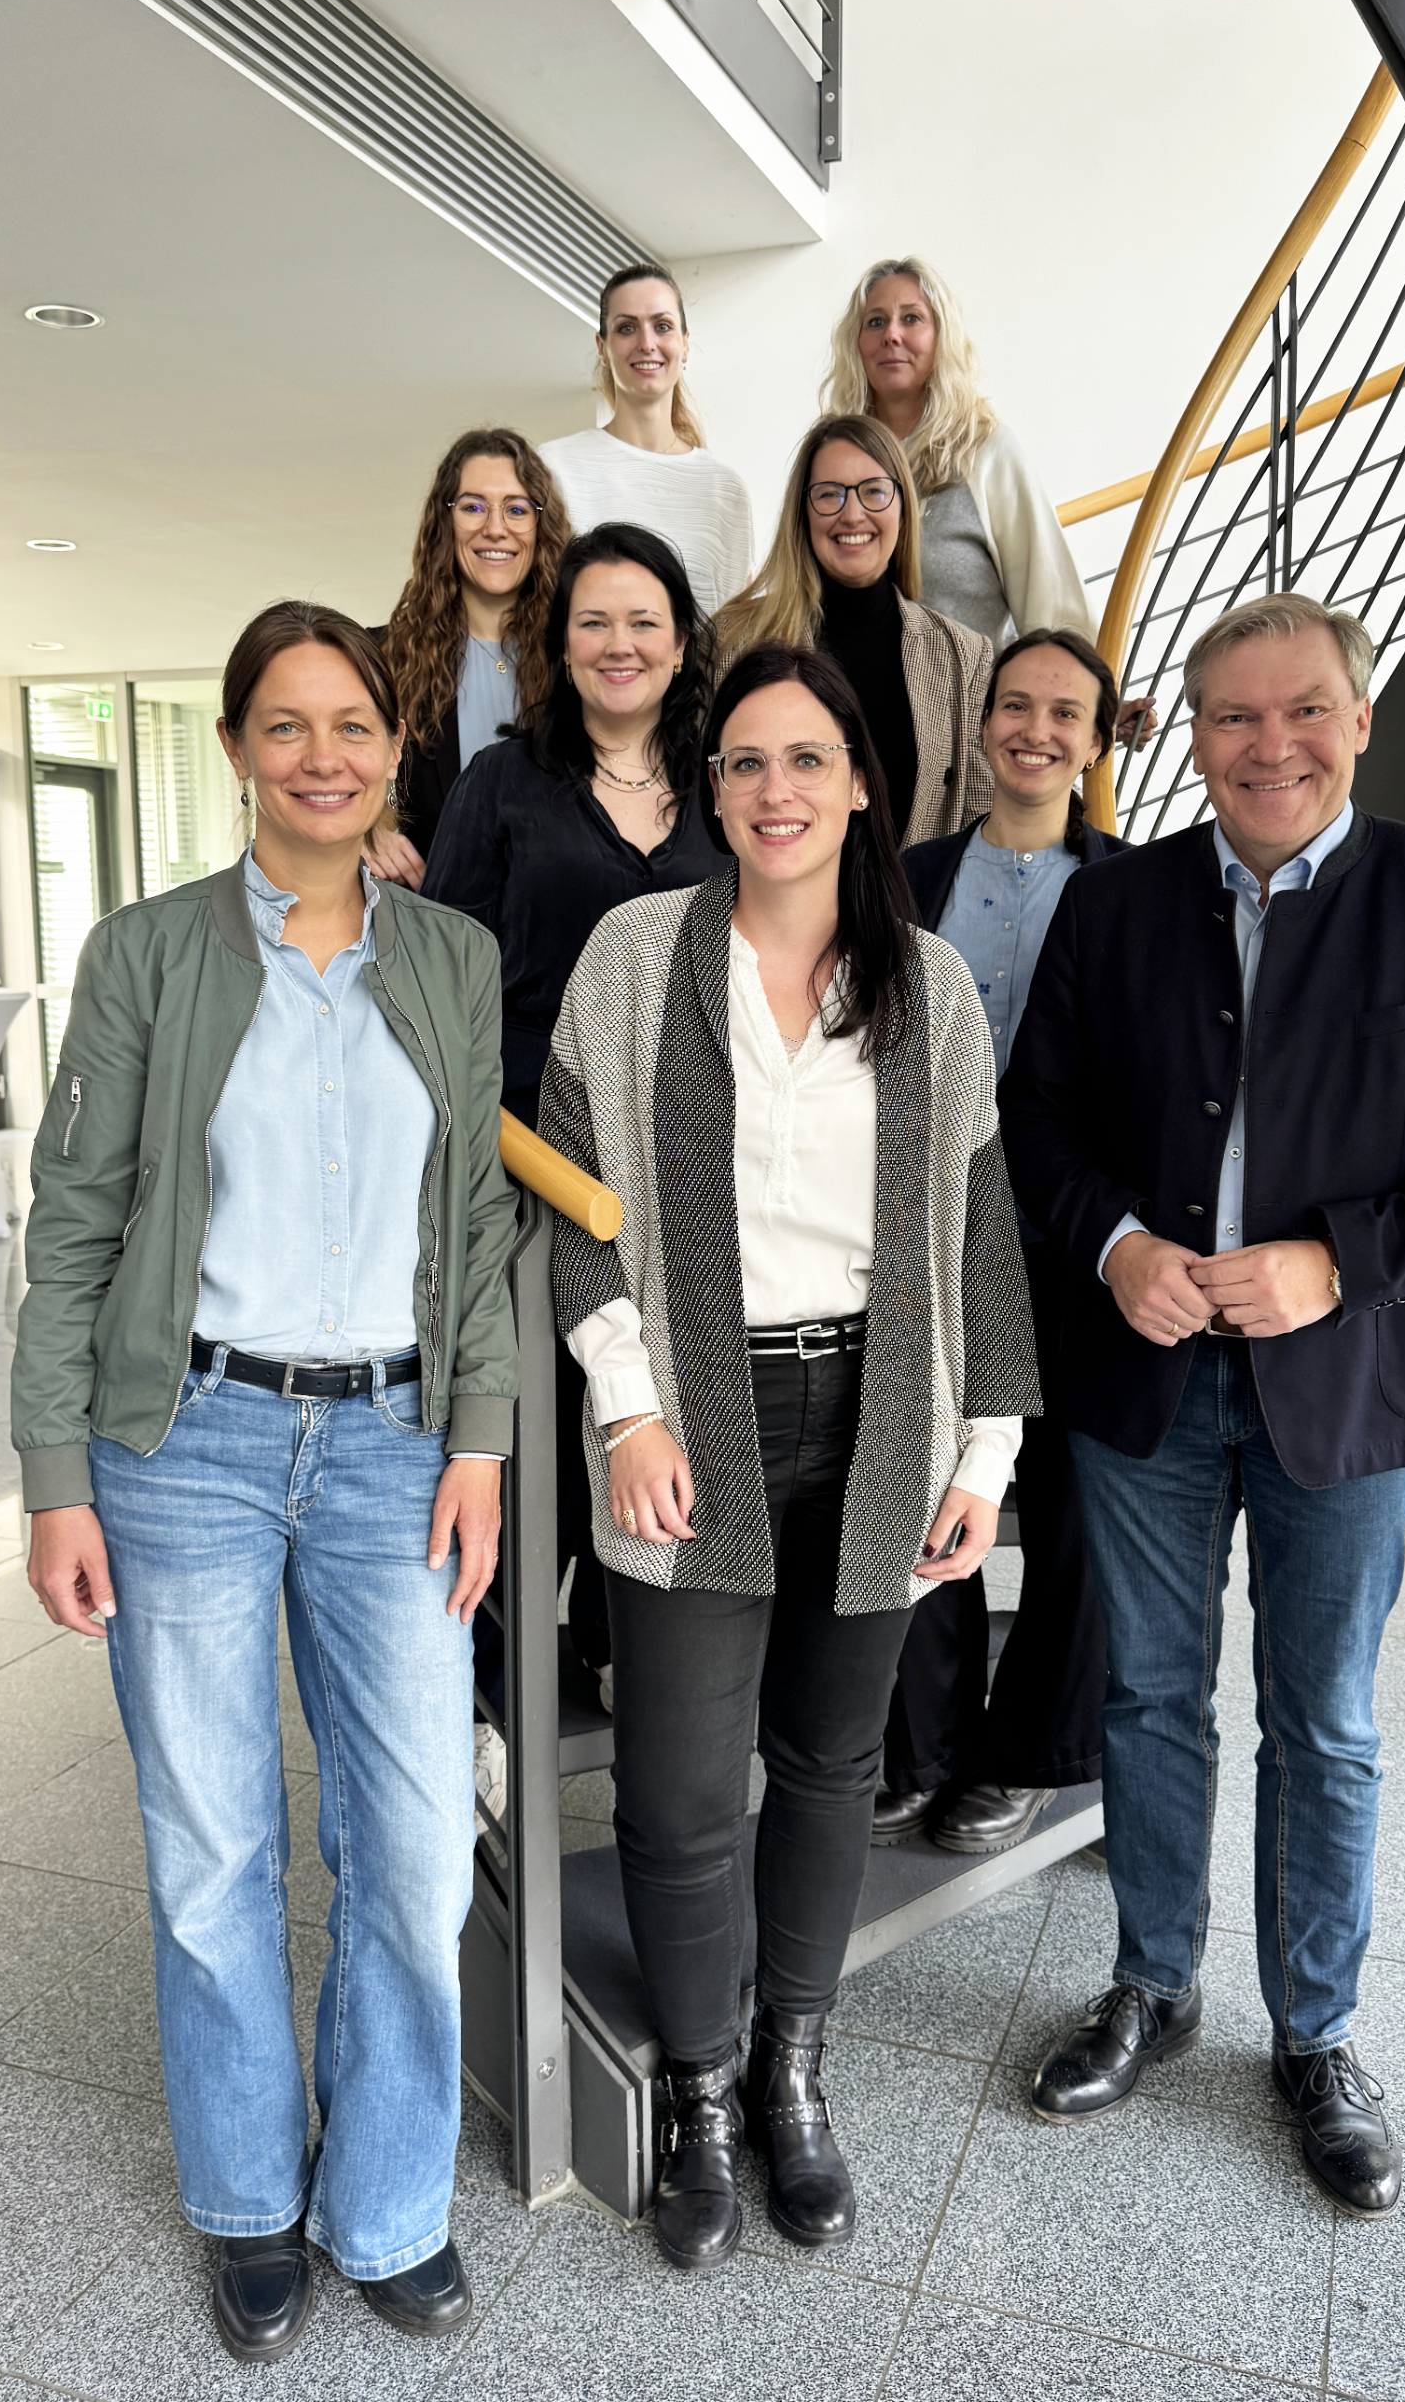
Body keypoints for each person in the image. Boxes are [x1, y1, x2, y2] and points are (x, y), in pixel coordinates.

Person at [999, 590, 1405, 2219]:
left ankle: (1314, 2034)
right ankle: (1153, 1982)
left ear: (1359, 718)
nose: (1270, 745)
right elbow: (1033, 1119)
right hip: (1144, 1376)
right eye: (1234, 717)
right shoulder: (1112, 905)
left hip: (1348, 1387)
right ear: (1190, 738)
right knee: (1145, 1699)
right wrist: (1115, 1246)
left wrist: (1338, 1262)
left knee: (1321, 1719)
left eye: (1303, 709)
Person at [14, 602, 518, 2359]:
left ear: (393, 749)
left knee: (413, 1852)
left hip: (393, 1445)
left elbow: (476, 1220)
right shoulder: (145, 954)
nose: (321, 756)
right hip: (188, 1448)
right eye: (285, 725)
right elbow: (74, 1224)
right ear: (235, 747)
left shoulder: (450, 958)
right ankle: (245, 2200)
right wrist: (54, 1474)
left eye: (352, 725)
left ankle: (384, 2201)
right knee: (209, 1849)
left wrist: (479, 1436)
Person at [540, 642, 1039, 2273]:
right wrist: (625, 1406)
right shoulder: (633, 958)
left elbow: (978, 1229)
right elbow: (567, 1194)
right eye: (745, 761)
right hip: (690, 1417)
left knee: (829, 1768)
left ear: (858, 786)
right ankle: (695, 2092)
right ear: (711, 788)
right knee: (681, 1794)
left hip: (880, 1413)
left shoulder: (927, 985)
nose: (775, 789)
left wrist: (983, 1454)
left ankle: (789, 2073)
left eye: (806, 758)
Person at [422, 520, 723, 1695]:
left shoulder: (725, 780)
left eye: (644, 620)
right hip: (527, 1162)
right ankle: (494, 1701)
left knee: (660, 1412)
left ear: (681, 641)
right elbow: (442, 971)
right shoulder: (503, 782)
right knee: (529, 1433)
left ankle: (630, 1661)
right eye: (593, 620)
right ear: (557, 642)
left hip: (687, 1162)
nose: (619, 642)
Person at [874, 627, 1122, 1857]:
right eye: (1015, 706)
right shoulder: (908, 875)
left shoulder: (1135, 888)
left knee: (1080, 1509)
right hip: (933, 1233)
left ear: (1098, 740)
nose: (1035, 729)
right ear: (982, 726)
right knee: (923, 1479)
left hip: (1080, 1248)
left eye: (1065, 712)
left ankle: (1033, 1754)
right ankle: (919, 1748)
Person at [716, 413, 994, 847]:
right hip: (767, 889)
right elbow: (704, 807)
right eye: (829, 494)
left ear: (903, 506)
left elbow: (987, 821)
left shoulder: (964, 655)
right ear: (802, 512)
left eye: (874, 492)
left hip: (920, 893)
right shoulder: (733, 642)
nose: (852, 514)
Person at [822, 255, 1091, 649]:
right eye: (875, 322)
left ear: (941, 336)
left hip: (973, 688)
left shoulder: (987, 451)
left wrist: (1082, 685)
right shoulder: (832, 459)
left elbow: (1052, 607)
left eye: (911, 318)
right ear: (856, 343)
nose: (891, 335)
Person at [367, 427, 570, 887]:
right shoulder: (383, 658)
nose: (494, 528)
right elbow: (328, 770)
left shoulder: (579, 662)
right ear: (445, 522)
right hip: (432, 918)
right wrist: (364, 829)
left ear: (541, 527)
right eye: (473, 507)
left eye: (516, 509)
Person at [542, 263, 754, 620]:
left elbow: (736, 632)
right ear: (602, 347)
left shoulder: (725, 490)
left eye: (662, 326)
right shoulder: (555, 467)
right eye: (627, 328)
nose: (646, 343)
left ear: (685, 344)